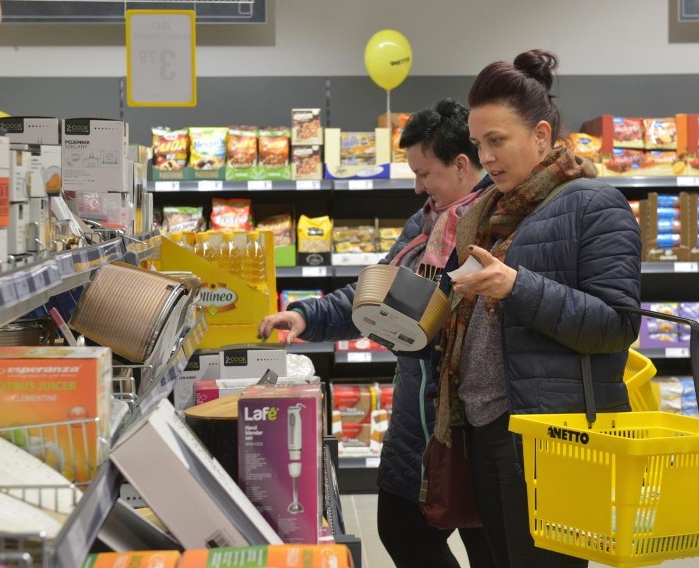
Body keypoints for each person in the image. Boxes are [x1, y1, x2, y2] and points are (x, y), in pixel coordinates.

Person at [258, 98, 494, 568]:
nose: (416, 186)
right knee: (404, 529)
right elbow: (381, 287)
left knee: (487, 546)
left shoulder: (495, 225)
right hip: (420, 418)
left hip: (475, 422)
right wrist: (308, 315)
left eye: (425, 173)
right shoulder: (427, 222)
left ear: (462, 165)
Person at [431, 50, 642, 568]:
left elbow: (617, 325)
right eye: (479, 145)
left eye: (497, 141)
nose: (487, 158)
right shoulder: (484, 213)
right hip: (484, 428)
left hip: (553, 437)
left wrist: (516, 286)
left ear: (542, 135)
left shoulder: (595, 203)